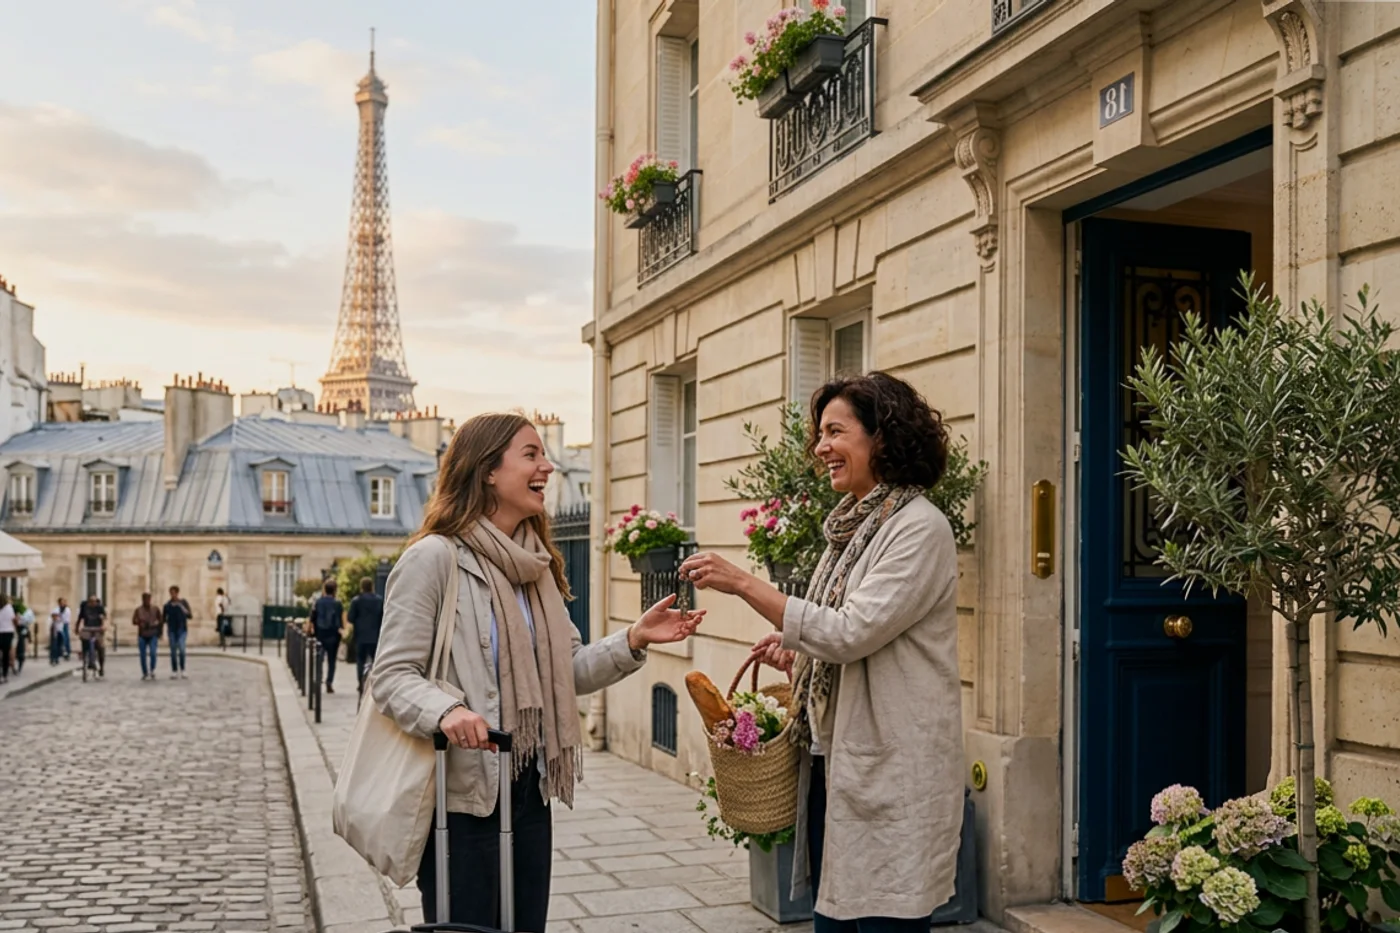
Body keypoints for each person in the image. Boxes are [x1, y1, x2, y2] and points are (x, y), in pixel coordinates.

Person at [373, 412, 704, 931]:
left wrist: (633, 639)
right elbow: (391, 676)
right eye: (531, 455)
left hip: (529, 784)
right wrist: (447, 711)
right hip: (462, 798)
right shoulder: (434, 560)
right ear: (486, 470)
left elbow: (565, 672)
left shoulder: (536, 565)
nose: (548, 467)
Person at [679, 372, 964, 932]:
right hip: (837, 765)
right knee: (835, 920)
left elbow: (852, 631)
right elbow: (842, 632)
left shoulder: (919, 528)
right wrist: (798, 651)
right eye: (820, 433)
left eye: (835, 431)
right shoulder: (856, 528)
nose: (820, 447)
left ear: (882, 437)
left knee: (886, 917)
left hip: (892, 764)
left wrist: (744, 582)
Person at [348, 577, 384, 694]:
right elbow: (383, 617)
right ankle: (375, 683)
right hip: (376, 636)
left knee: (360, 661)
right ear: (372, 586)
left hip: (361, 636)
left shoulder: (356, 601)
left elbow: (350, 618)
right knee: (376, 662)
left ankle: (361, 682)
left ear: (361, 587)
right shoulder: (379, 600)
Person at [308, 581, 345, 693]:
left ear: (324, 589)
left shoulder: (318, 602)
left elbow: (312, 618)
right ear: (335, 590)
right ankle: (329, 682)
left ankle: (318, 679)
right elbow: (340, 620)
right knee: (332, 660)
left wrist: (311, 630)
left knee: (319, 658)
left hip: (320, 633)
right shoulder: (337, 603)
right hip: (333, 634)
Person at [162, 586, 192, 679]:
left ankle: (183, 669)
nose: (172, 595)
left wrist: (180, 606)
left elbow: (189, 615)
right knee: (173, 651)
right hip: (172, 630)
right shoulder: (167, 605)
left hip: (182, 630)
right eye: (171, 593)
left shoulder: (183, 602)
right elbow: (163, 618)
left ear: (177, 593)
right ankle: (174, 670)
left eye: (174, 592)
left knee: (182, 649)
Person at [133, 593, 163, 681]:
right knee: (142, 655)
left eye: (148, 599)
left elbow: (161, 620)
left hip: (153, 633)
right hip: (142, 634)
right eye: (145, 599)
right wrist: (139, 622)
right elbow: (134, 620)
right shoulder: (138, 610)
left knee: (153, 652)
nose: (147, 601)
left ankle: (152, 669)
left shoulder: (155, 609)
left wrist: (158, 629)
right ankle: (145, 672)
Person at [76, 594, 107, 677]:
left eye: (95, 602)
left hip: (97, 628)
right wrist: (77, 628)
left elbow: (104, 618)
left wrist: (103, 626)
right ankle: (87, 660)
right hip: (87, 628)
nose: (93, 603)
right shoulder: (84, 607)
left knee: (100, 648)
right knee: (84, 642)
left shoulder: (99, 607)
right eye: (91, 602)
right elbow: (80, 618)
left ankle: (101, 667)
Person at [16, 600, 34, 674]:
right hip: (19, 631)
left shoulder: (27, 612)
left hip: (21, 631)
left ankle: (20, 664)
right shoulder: (26, 612)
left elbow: (27, 621)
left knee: (21, 648)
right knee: (21, 648)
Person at [0, 595, 15, 684]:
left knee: (4, 654)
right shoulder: (9, 608)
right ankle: (4, 675)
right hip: (8, 632)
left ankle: (4, 674)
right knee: (5, 654)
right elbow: (13, 619)